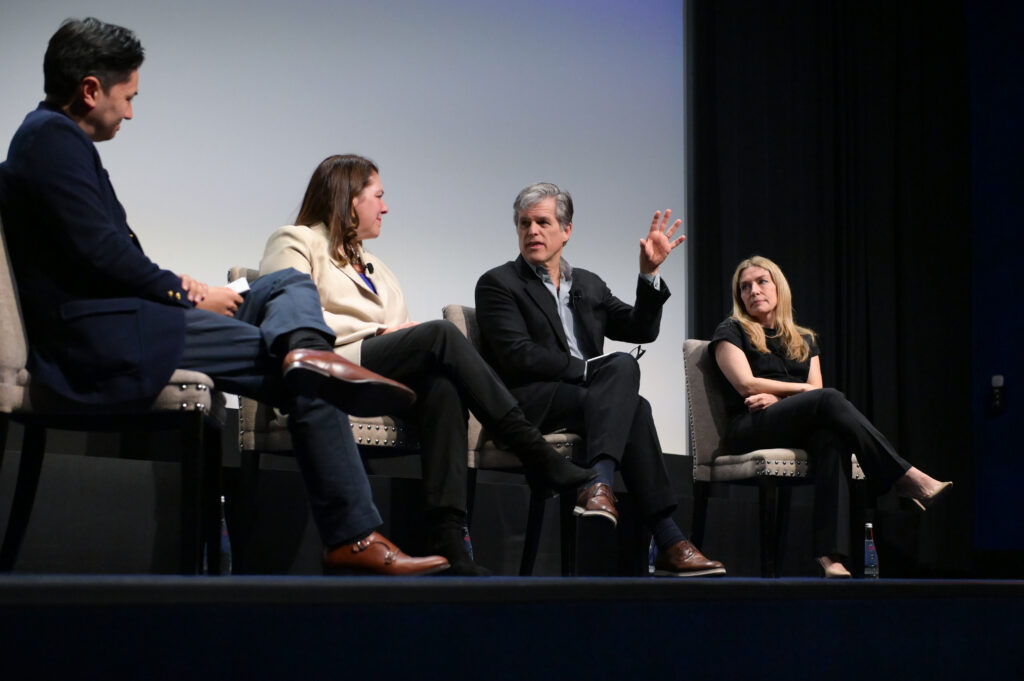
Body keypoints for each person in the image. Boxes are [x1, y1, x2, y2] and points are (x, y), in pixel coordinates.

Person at [0, 17, 449, 576]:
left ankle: (311, 352)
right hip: (107, 335)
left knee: (286, 284)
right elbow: (101, 253)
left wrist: (189, 289)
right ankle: (353, 534)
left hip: (133, 316)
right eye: (128, 97)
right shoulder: (50, 141)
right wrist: (182, 293)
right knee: (306, 375)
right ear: (91, 89)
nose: (130, 113)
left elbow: (97, 252)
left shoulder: (52, 140)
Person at [258, 155, 596, 576]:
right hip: (329, 363)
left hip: (377, 376)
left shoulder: (378, 268)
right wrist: (380, 332)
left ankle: (449, 542)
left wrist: (396, 334)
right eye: (378, 196)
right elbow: (288, 313)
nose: (385, 207)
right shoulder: (295, 240)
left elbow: (400, 331)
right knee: (440, 335)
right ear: (349, 198)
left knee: (443, 386)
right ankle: (533, 449)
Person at [474, 182, 726, 577]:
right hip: (530, 402)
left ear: (566, 230)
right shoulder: (499, 283)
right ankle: (662, 533)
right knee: (625, 383)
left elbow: (641, 329)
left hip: (586, 399)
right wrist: (586, 370)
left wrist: (649, 274)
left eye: (542, 222)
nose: (532, 231)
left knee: (633, 402)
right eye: (524, 223)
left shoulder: (588, 284)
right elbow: (516, 355)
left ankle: (605, 494)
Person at [711, 255, 953, 577]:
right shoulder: (731, 330)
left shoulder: (804, 339)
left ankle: (831, 556)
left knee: (833, 439)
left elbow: (816, 395)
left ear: (779, 288)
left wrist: (780, 397)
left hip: (791, 423)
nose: (753, 291)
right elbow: (747, 384)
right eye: (745, 287)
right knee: (829, 398)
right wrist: (798, 390)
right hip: (750, 426)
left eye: (761, 282)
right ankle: (903, 476)